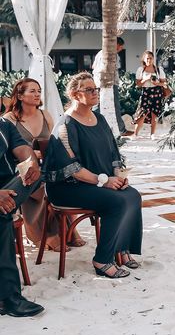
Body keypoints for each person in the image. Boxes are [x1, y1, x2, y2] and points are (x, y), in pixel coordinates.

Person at [43, 72, 142, 279]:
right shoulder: (66, 125)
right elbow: (72, 169)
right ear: (74, 94)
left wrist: (118, 175)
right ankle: (103, 259)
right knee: (116, 202)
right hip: (68, 187)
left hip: (98, 182)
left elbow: (113, 153)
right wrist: (104, 181)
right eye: (89, 90)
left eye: (95, 89)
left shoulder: (100, 118)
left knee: (132, 195)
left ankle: (121, 249)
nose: (95, 92)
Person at [3, 78, 84, 251]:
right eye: (32, 91)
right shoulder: (9, 119)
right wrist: (32, 159)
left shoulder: (45, 115)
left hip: (47, 163)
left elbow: (55, 143)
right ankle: (47, 235)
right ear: (19, 95)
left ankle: (70, 230)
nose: (37, 94)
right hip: (21, 168)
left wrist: (44, 154)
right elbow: (8, 152)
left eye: (38, 90)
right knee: (37, 182)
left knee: (64, 179)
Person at [0, 118, 44, 317]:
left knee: (35, 176)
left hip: (11, 186)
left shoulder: (4, 124)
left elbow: (23, 150)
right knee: (1, 218)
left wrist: (31, 165)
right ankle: (9, 298)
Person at [92, 37, 133, 136]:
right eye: (120, 46)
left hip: (97, 82)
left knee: (97, 105)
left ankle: (95, 127)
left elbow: (93, 66)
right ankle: (121, 129)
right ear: (116, 45)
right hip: (108, 83)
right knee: (114, 105)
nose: (121, 49)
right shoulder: (112, 54)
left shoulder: (100, 53)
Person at [133, 50, 167, 139]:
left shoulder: (159, 70)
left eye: (150, 58)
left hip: (157, 92)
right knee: (142, 113)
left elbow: (164, 84)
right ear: (144, 59)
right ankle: (135, 134)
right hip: (145, 92)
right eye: (147, 58)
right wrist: (146, 79)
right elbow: (138, 84)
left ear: (153, 59)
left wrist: (157, 83)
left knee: (154, 114)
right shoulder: (141, 70)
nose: (149, 60)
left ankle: (152, 134)